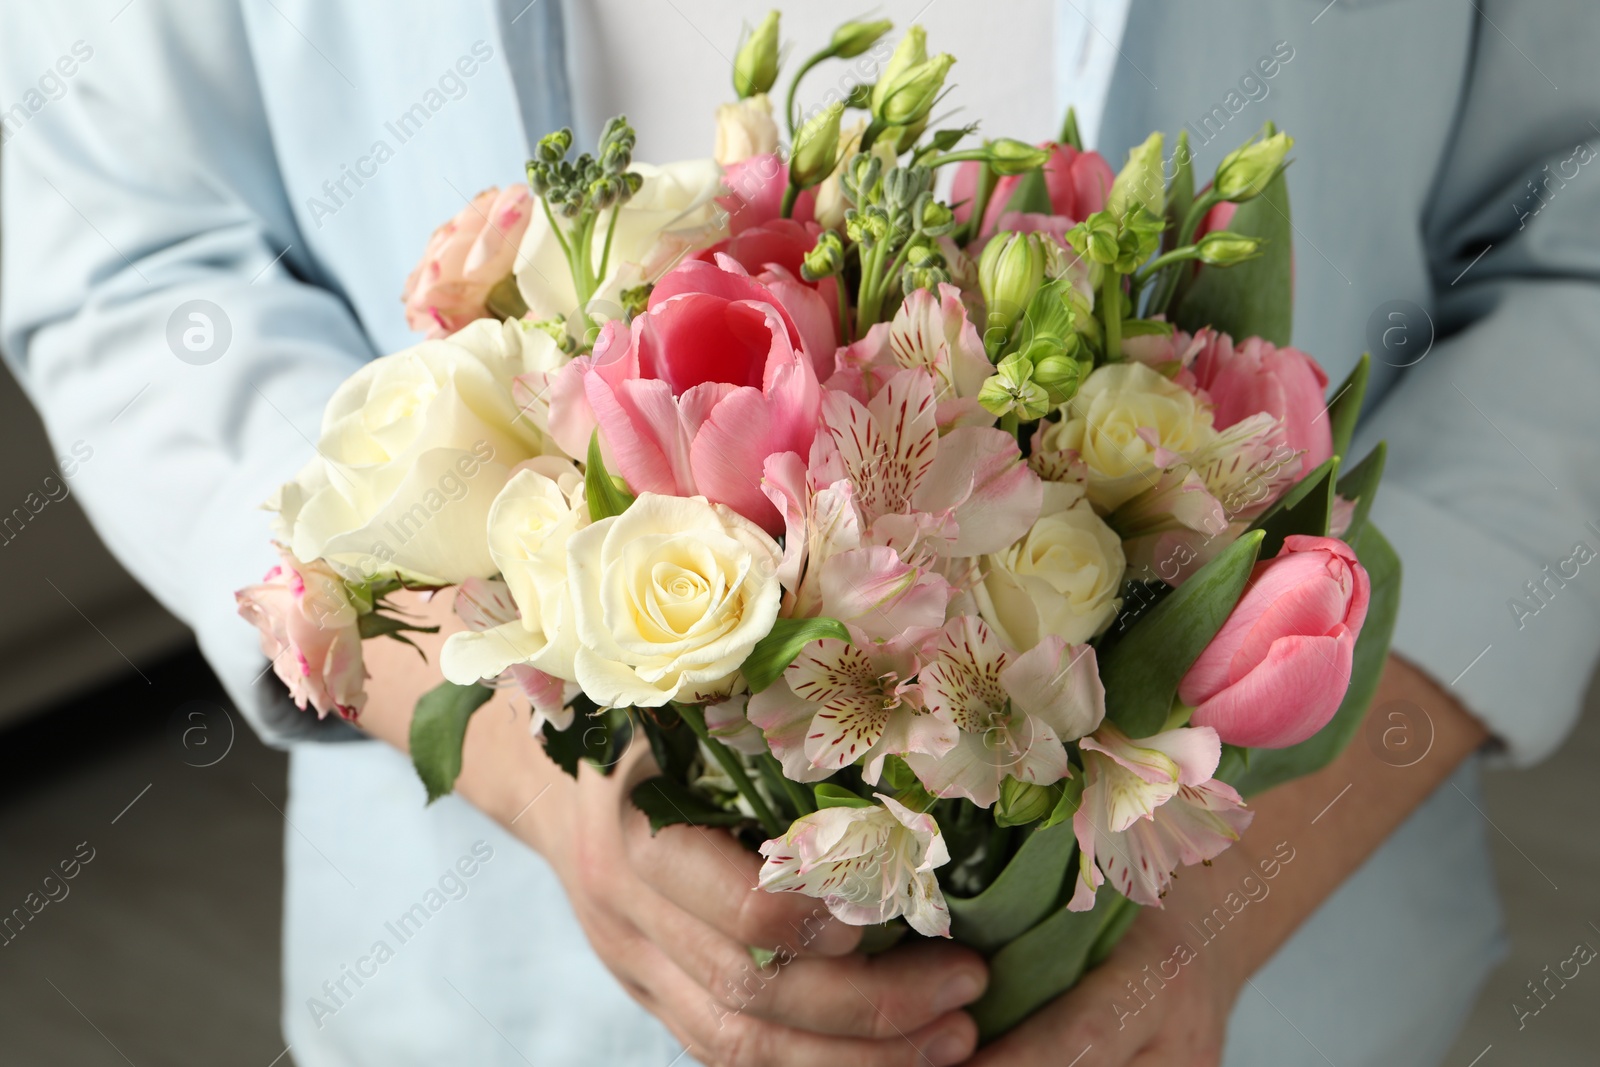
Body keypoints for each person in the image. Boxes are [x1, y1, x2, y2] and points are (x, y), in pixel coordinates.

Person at [3, 2, 1596, 1064]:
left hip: (1292, 962)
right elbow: (126, 244)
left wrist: (1229, 895)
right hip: (489, 989)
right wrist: (522, 770)